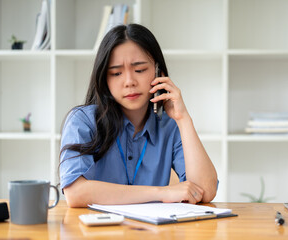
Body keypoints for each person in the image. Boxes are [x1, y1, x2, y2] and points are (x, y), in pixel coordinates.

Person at [59, 23, 217, 207]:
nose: (129, 82)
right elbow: (76, 193)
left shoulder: (170, 126)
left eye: (140, 70)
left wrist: (183, 119)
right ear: (104, 79)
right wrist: (162, 192)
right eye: (116, 73)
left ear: (159, 73)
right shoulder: (83, 121)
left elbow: (205, 191)